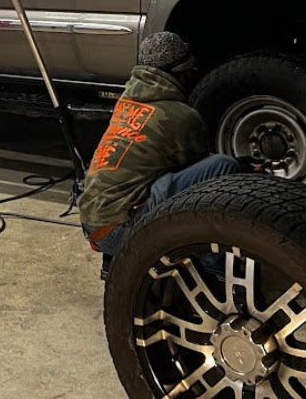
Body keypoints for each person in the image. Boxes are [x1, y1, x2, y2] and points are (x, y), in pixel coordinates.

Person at [78, 31, 240, 265]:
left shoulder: (126, 101)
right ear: (181, 73)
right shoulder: (180, 116)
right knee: (223, 166)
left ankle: (111, 261)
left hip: (93, 222)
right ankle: (215, 269)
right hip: (120, 229)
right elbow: (201, 182)